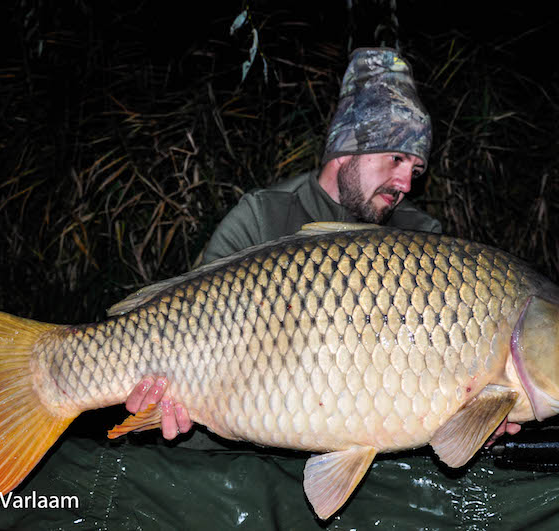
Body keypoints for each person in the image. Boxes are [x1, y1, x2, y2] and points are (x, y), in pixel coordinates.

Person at [122, 47, 520, 444]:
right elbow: (180, 327)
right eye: (396, 158)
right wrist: (166, 402)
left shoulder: (421, 238)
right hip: (246, 456)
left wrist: (478, 420)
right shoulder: (262, 218)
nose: (406, 184)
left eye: (415, 169)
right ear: (346, 150)